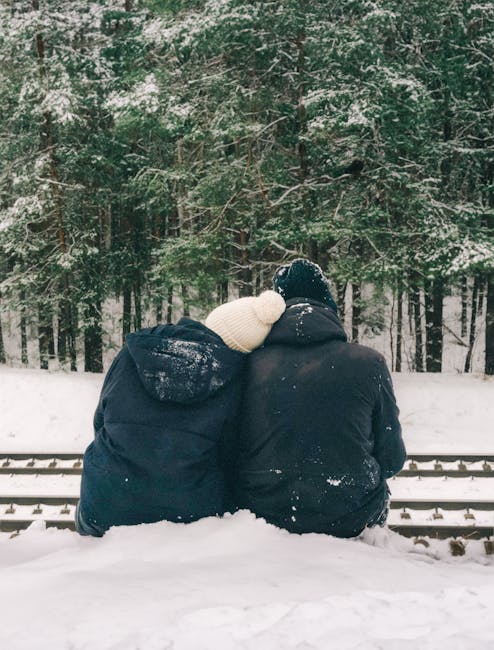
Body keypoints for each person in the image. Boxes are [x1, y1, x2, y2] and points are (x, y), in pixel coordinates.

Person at [77, 291, 285, 536]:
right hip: (187, 513)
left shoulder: (132, 354)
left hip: (104, 505)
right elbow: (229, 456)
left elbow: (101, 420)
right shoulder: (232, 381)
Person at [235, 259, 406, 538]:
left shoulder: (248, 365)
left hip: (263, 515)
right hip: (351, 515)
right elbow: (391, 460)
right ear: (329, 305)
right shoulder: (369, 363)